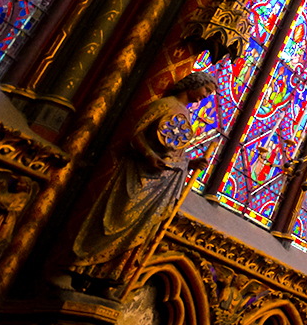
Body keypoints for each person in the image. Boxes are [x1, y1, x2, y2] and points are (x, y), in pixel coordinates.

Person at [62, 72, 217, 295]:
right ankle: (71, 269)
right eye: (206, 90)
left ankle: (103, 279)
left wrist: (190, 163)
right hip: (138, 173)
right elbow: (135, 133)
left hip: (161, 182)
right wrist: (148, 156)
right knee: (113, 219)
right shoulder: (165, 105)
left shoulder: (185, 114)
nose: (206, 96)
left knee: (137, 230)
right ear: (194, 84)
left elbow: (172, 152)